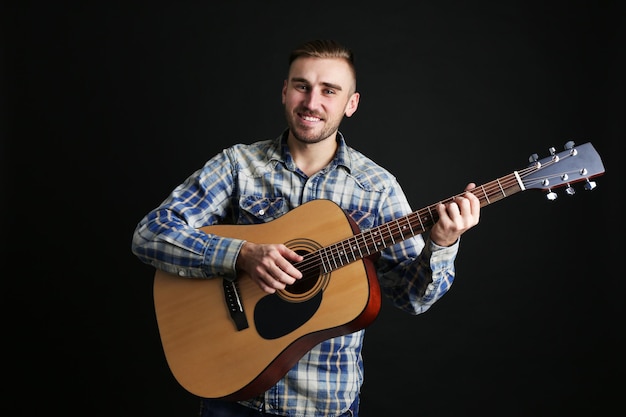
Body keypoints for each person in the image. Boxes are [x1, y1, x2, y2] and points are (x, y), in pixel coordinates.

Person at [131, 39, 480, 417]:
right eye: (302, 86)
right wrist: (242, 255)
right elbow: (150, 233)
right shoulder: (238, 165)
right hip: (233, 394)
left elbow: (412, 299)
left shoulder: (378, 189)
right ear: (285, 91)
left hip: (323, 403)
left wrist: (442, 244)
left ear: (351, 104)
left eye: (329, 91)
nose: (312, 102)